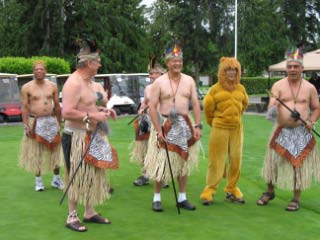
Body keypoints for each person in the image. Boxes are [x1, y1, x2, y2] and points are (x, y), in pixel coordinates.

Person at [61, 40, 118, 232]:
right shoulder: (73, 83)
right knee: (75, 177)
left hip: (92, 135)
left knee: (92, 175)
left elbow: (87, 106)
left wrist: (102, 110)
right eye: (98, 61)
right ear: (89, 63)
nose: (100, 64)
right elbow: (66, 112)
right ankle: (72, 217)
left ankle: (89, 211)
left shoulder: (89, 83)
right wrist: (93, 115)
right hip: (76, 137)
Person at [257, 47, 320, 211]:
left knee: (297, 165)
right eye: (290, 66)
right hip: (281, 129)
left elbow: (316, 108)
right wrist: (275, 106)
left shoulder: (309, 88)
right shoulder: (278, 86)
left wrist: (311, 121)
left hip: (301, 131)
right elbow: (270, 113)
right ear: (286, 68)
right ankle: (270, 191)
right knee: (273, 163)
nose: (292, 69)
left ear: (302, 68)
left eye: (295, 66)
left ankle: (296, 198)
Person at [144, 44, 202, 212]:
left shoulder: (189, 80)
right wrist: (158, 129)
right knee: (161, 163)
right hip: (165, 125)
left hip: (185, 125)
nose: (177, 63)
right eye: (174, 61)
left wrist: (198, 125)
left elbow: (196, 103)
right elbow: (152, 108)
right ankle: (157, 198)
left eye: (180, 60)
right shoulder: (159, 83)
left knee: (183, 162)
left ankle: (182, 197)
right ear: (167, 63)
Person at [200, 57, 249, 205]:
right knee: (216, 160)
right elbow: (208, 110)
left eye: (235, 70)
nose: (231, 73)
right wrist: (215, 123)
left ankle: (232, 188)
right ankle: (209, 189)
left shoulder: (241, 89)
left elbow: (244, 105)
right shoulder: (214, 90)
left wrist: (236, 120)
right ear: (222, 71)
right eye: (228, 70)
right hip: (219, 128)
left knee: (236, 159)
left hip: (236, 129)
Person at [19, 60, 63, 191]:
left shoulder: (52, 86)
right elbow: (25, 108)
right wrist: (26, 125)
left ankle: (56, 179)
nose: (39, 71)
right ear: (33, 71)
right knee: (36, 152)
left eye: (41, 69)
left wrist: (59, 122)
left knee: (55, 151)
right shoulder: (27, 87)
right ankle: (38, 181)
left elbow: (57, 105)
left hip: (51, 121)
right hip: (35, 121)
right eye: (36, 69)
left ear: (45, 71)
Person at [131, 58, 168, 188]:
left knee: (161, 149)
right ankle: (145, 174)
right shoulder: (148, 88)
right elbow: (145, 103)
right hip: (147, 122)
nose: (150, 75)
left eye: (153, 73)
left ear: (160, 74)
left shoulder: (168, 87)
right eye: (150, 73)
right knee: (145, 148)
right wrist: (141, 110)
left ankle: (162, 175)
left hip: (161, 122)